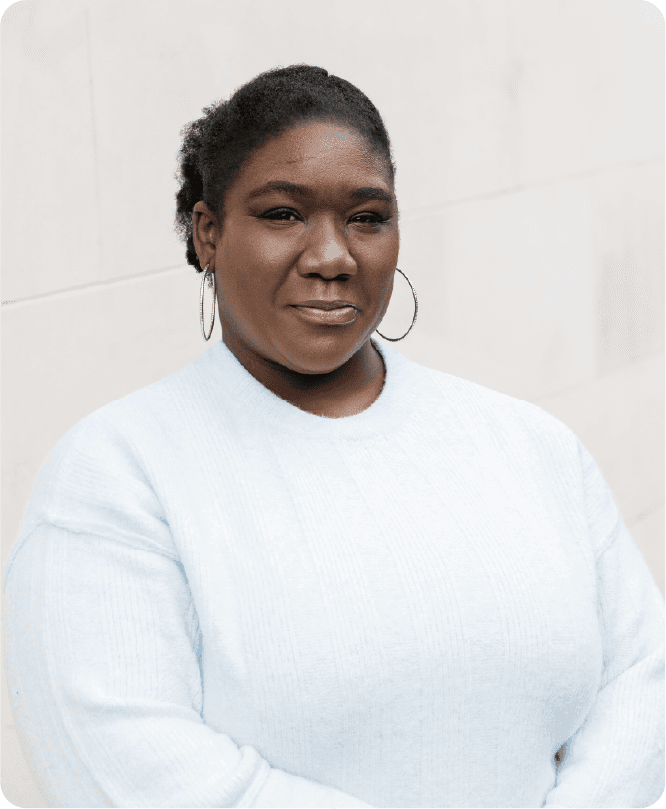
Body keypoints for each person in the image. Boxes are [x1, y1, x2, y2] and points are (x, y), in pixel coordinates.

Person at [4, 64, 664, 809]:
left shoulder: (528, 444)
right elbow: (128, 766)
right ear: (209, 232)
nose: (332, 257)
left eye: (366, 217)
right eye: (283, 214)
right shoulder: (116, 476)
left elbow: (642, 678)